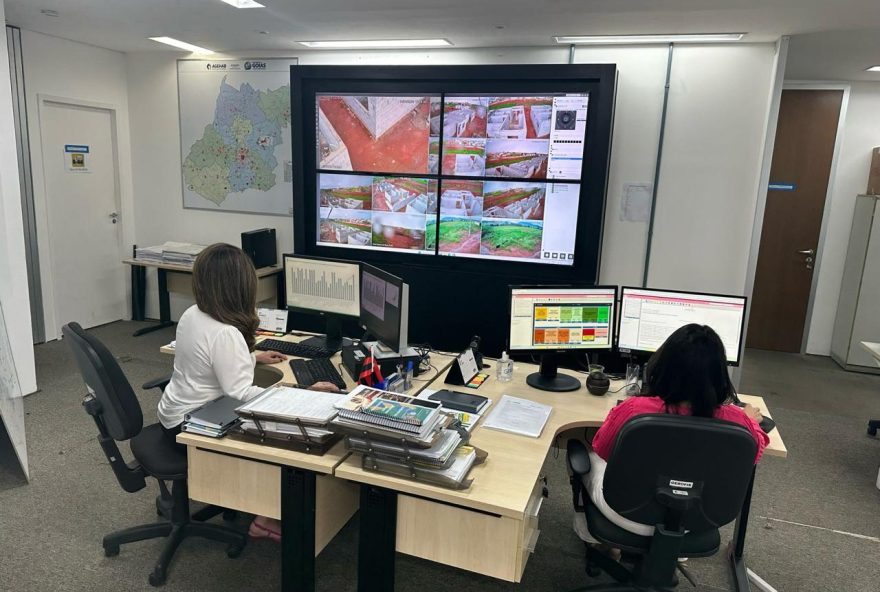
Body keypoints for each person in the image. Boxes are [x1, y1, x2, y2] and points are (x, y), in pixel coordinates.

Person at [157, 243, 338, 543]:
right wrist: (303, 391)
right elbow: (241, 392)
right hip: (194, 425)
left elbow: (207, 360)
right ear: (241, 286)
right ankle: (266, 517)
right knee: (292, 435)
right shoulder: (226, 332)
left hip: (172, 415)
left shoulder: (193, 313)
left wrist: (253, 357)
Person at [574, 323, 770, 545]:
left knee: (588, 457)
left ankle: (593, 541)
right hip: (694, 520)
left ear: (663, 365)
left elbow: (603, 448)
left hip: (625, 512)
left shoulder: (634, 410)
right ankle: (671, 551)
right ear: (719, 375)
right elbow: (751, 456)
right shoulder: (738, 422)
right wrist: (751, 422)